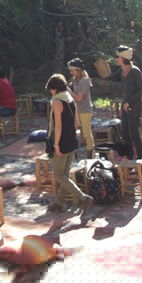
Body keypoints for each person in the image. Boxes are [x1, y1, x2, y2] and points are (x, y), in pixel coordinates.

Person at [45, 74, 94, 215]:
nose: (51, 93)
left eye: (51, 90)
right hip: (72, 139)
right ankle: (58, 203)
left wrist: (56, 145)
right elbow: (76, 122)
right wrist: (71, 137)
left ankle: (84, 198)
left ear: (54, 89)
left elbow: (58, 125)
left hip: (62, 141)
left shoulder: (57, 101)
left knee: (58, 174)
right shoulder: (70, 99)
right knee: (65, 174)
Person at [105, 46, 142, 160]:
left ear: (124, 57)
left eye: (117, 57)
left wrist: (129, 101)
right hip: (125, 105)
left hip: (134, 106)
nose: (116, 59)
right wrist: (105, 72)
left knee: (134, 134)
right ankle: (129, 158)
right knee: (125, 134)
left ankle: (140, 158)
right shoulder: (122, 70)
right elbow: (113, 78)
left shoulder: (134, 71)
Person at [67, 58, 94, 158]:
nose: (71, 73)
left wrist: (69, 91)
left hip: (85, 110)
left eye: (72, 70)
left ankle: (91, 152)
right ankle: (72, 151)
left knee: (86, 133)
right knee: (72, 130)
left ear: (78, 70)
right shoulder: (75, 80)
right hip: (77, 109)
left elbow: (79, 98)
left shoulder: (85, 80)